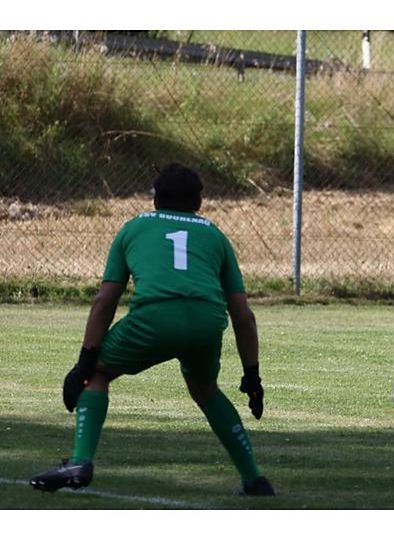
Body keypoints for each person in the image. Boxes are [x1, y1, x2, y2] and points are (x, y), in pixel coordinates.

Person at [30, 163, 275, 495]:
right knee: (206, 390)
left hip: (155, 318)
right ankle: (254, 479)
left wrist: (85, 361)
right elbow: (243, 315)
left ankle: (79, 460)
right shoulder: (215, 235)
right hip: (206, 322)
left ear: (154, 199)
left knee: (98, 374)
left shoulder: (133, 228)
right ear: (199, 203)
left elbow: (105, 300)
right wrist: (252, 374)